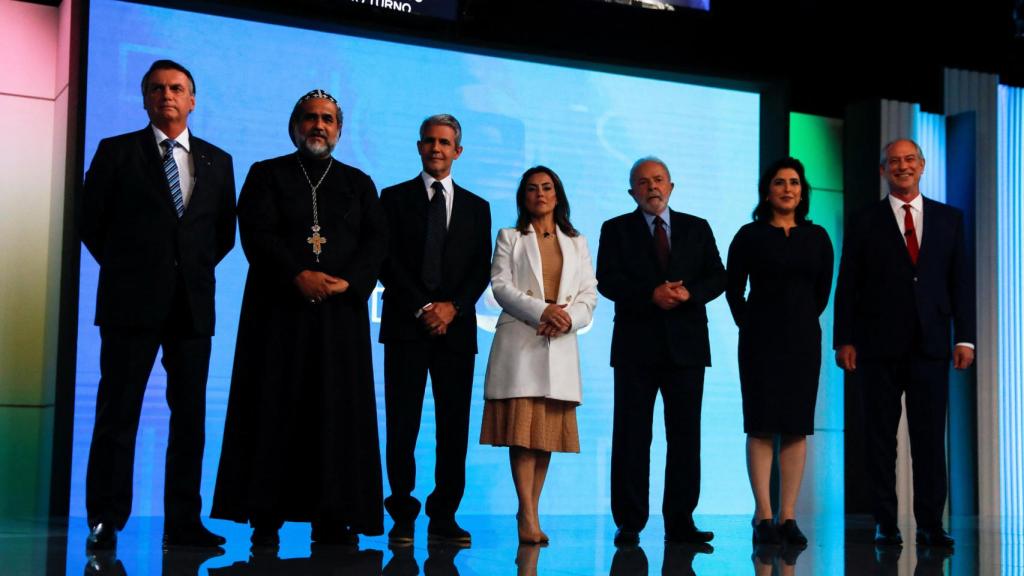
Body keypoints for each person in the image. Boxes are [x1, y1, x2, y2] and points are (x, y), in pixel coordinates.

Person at [211, 89, 388, 548]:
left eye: (327, 119)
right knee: (274, 408)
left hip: (340, 321)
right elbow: (256, 232)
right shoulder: (266, 174)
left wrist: (348, 282)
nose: (318, 126)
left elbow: (376, 243)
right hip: (278, 317)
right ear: (294, 126)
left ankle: (333, 513)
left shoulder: (358, 182)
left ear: (339, 130)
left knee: (335, 414)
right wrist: (297, 274)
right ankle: (266, 512)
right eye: (310, 118)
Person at [79, 59, 235, 551]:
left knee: (189, 419)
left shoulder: (217, 160)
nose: (167, 95)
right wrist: (136, 270)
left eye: (176, 88)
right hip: (130, 305)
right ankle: (106, 519)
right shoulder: (116, 152)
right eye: (157, 88)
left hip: (192, 307)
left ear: (193, 99)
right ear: (145, 98)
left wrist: (183, 270)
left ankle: (184, 523)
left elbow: (221, 235)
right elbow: (91, 224)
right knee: (117, 414)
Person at [834, 138, 975, 549]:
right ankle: (885, 523)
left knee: (930, 440)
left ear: (922, 165)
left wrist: (964, 337)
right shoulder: (864, 220)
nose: (902, 166)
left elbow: (960, 283)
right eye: (893, 161)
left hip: (931, 345)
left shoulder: (950, 219)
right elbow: (849, 285)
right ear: (883, 171)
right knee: (880, 440)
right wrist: (845, 338)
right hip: (877, 346)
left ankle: (931, 523)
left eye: (909, 159)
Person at [596, 156, 726, 547]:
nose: (651, 187)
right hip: (636, 346)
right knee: (632, 437)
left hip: (686, 348)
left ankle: (681, 521)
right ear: (631, 191)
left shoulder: (696, 227)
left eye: (658, 180)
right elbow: (607, 280)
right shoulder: (615, 229)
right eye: (642, 182)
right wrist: (650, 295)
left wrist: (689, 294)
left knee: (685, 438)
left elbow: (718, 276)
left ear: (671, 186)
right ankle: (630, 522)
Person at [378, 114, 492, 546]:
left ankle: (444, 513)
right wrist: (424, 306)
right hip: (406, 328)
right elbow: (385, 260)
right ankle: (403, 513)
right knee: (402, 424)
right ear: (419, 146)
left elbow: (481, 268)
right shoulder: (392, 198)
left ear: (458, 151)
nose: (437, 149)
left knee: (453, 426)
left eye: (445, 142)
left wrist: (453, 307)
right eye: (429, 141)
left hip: (457, 331)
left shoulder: (477, 207)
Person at [480, 166, 598, 544]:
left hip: (559, 341)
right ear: (524, 197)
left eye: (547, 188)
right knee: (522, 433)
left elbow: (588, 295)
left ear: (558, 194)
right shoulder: (510, 237)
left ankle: (530, 508)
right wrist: (541, 311)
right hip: (521, 342)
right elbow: (500, 286)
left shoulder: (576, 241)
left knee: (544, 435)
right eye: (532, 189)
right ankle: (527, 514)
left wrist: (566, 319)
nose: (540, 194)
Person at [725, 157, 834, 547]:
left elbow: (821, 291)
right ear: (767, 192)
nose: (787, 188)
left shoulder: (818, 237)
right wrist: (750, 323)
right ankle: (764, 515)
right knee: (760, 424)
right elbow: (733, 288)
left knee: (795, 425)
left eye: (794, 182)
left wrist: (798, 320)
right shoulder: (749, 235)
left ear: (802, 191)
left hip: (803, 340)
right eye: (779, 183)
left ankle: (788, 515)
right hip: (759, 340)